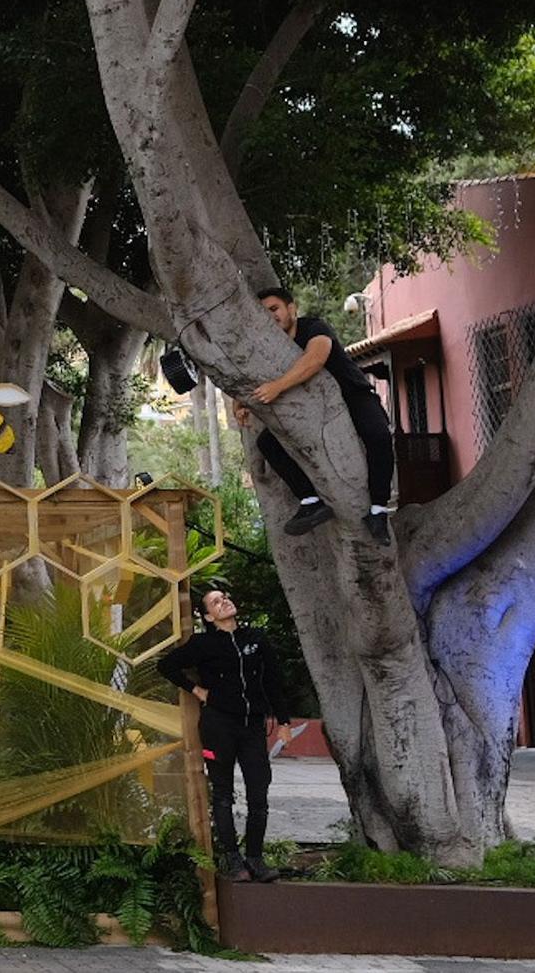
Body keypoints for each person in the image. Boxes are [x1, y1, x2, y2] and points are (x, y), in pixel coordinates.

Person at [239, 285, 396, 545]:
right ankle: (311, 501)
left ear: (291, 309)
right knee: (267, 443)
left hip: (352, 395)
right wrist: (241, 402)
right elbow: (250, 375)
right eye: (263, 314)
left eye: (274, 309)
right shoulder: (267, 346)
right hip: (310, 409)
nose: (270, 317)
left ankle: (378, 511)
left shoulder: (315, 328)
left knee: (378, 435)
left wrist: (277, 386)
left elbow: (315, 359)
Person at [156, 585, 293, 883]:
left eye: (225, 598)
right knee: (222, 792)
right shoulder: (203, 644)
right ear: (208, 615)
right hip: (219, 725)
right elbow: (166, 665)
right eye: (216, 602)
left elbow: (273, 681)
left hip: (252, 726)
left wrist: (283, 721)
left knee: (259, 792)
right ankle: (232, 858)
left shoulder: (255, 639)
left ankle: (255, 857)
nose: (224, 602)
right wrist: (197, 690)